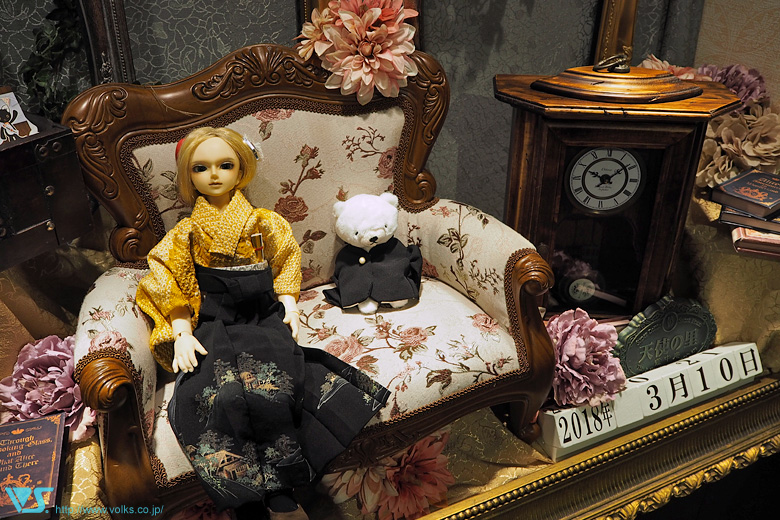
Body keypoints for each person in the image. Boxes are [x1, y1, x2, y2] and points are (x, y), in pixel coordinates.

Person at [136, 127, 389, 520]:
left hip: (261, 313)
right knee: (218, 394)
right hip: (214, 320)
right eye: (201, 168)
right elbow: (168, 277)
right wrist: (181, 332)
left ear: (241, 170)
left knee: (277, 386)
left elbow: (286, 259)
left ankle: (283, 492)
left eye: (225, 165)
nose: (214, 175)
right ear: (189, 176)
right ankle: (249, 499)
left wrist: (289, 303)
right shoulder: (186, 232)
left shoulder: (264, 221)